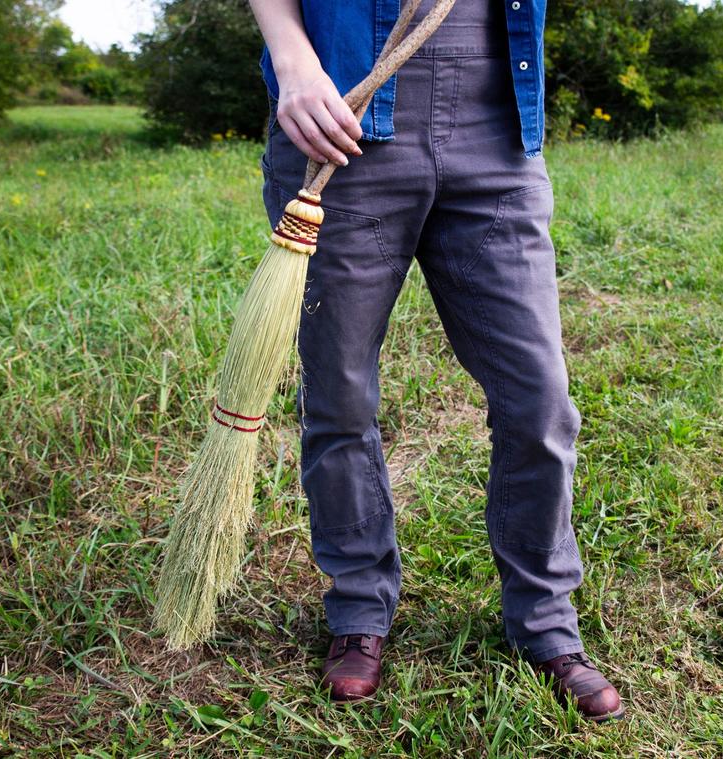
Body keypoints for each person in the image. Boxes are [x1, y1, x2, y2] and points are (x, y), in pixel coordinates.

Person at [247, 0, 624, 722]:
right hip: (341, 113)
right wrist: (293, 64)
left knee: (539, 398)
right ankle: (358, 608)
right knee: (341, 395)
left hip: (499, 128)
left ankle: (544, 620)